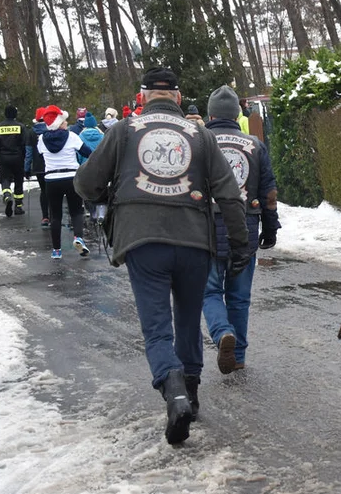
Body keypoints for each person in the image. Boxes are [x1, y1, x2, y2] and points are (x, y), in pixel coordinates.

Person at [75, 67, 252, 445]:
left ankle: (173, 392)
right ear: (177, 95)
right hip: (194, 242)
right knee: (188, 320)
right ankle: (192, 390)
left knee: (157, 328)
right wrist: (239, 244)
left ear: (143, 96)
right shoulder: (201, 135)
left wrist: (108, 195)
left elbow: (86, 184)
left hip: (143, 241)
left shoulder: (123, 131)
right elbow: (229, 193)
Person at [200, 85, 280, 374]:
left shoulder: (200, 141)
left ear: (210, 114)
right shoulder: (255, 145)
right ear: (238, 114)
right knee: (239, 296)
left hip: (205, 228)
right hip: (244, 227)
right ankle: (240, 355)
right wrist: (270, 231)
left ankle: (222, 333)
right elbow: (269, 193)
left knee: (209, 292)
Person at [37, 105, 91, 259]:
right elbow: (87, 152)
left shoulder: (41, 139)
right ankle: (78, 237)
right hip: (71, 177)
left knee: (55, 215)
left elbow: (42, 154)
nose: (67, 123)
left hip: (52, 179)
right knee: (76, 211)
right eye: (64, 121)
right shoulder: (72, 136)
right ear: (60, 123)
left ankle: (56, 250)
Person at [0, 105, 28, 217]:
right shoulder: (21, 127)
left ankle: (7, 195)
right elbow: (24, 144)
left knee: (4, 179)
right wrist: (24, 157)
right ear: (15, 114)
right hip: (18, 157)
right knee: (19, 181)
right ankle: (18, 207)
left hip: (3, 157)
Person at [25, 107, 51, 227]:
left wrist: (27, 168)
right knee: (52, 191)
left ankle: (45, 216)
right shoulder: (50, 129)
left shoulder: (31, 132)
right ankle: (54, 215)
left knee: (44, 191)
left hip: (38, 166)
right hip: (51, 165)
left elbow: (29, 152)